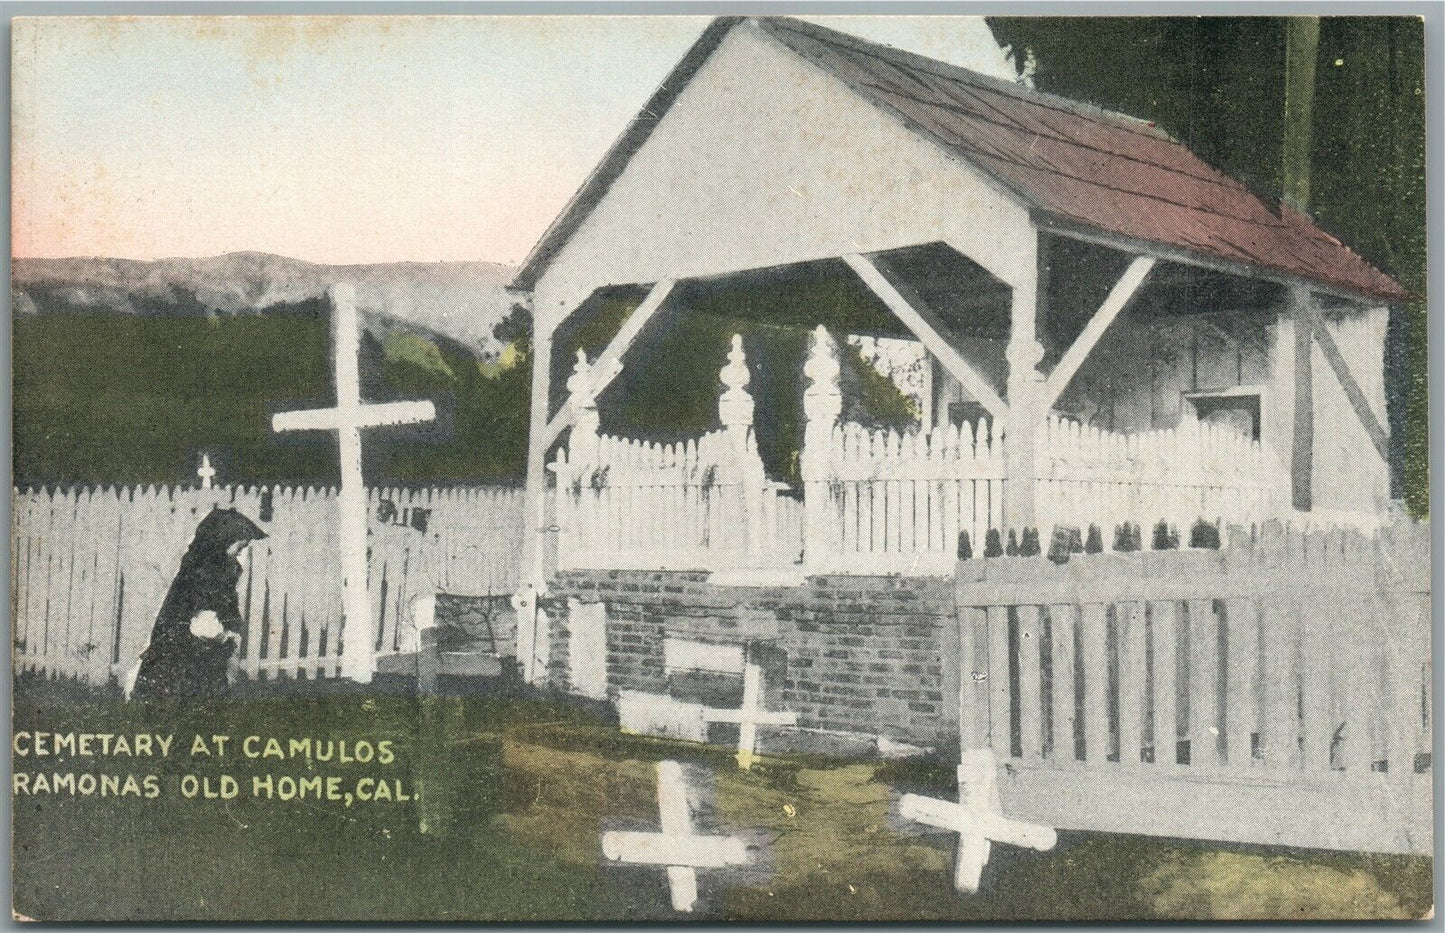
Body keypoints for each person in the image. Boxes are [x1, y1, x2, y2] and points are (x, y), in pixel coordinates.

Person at [130, 507, 266, 701]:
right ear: (221, 542)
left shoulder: (220, 569)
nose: (239, 554)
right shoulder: (204, 572)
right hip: (185, 647)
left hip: (198, 647)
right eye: (239, 548)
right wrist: (224, 633)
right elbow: (202, 621)